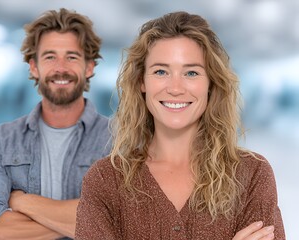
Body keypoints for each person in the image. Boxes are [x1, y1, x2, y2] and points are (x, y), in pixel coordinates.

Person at [75, 11, 285, 239]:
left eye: (191, 72)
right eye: (161, 71)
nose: (175, 88)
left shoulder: (251, 175)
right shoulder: (106, 181)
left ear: (211, 84)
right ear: (141, 82)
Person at [0, 8, 111, 240]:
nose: (60, 68)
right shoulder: (1, 141)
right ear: (34, 67)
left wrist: (23, 201)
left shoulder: (119, 140)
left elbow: (126, 222)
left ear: (89, 67)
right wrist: (90, 221)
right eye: (50, 57)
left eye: (72, 57)